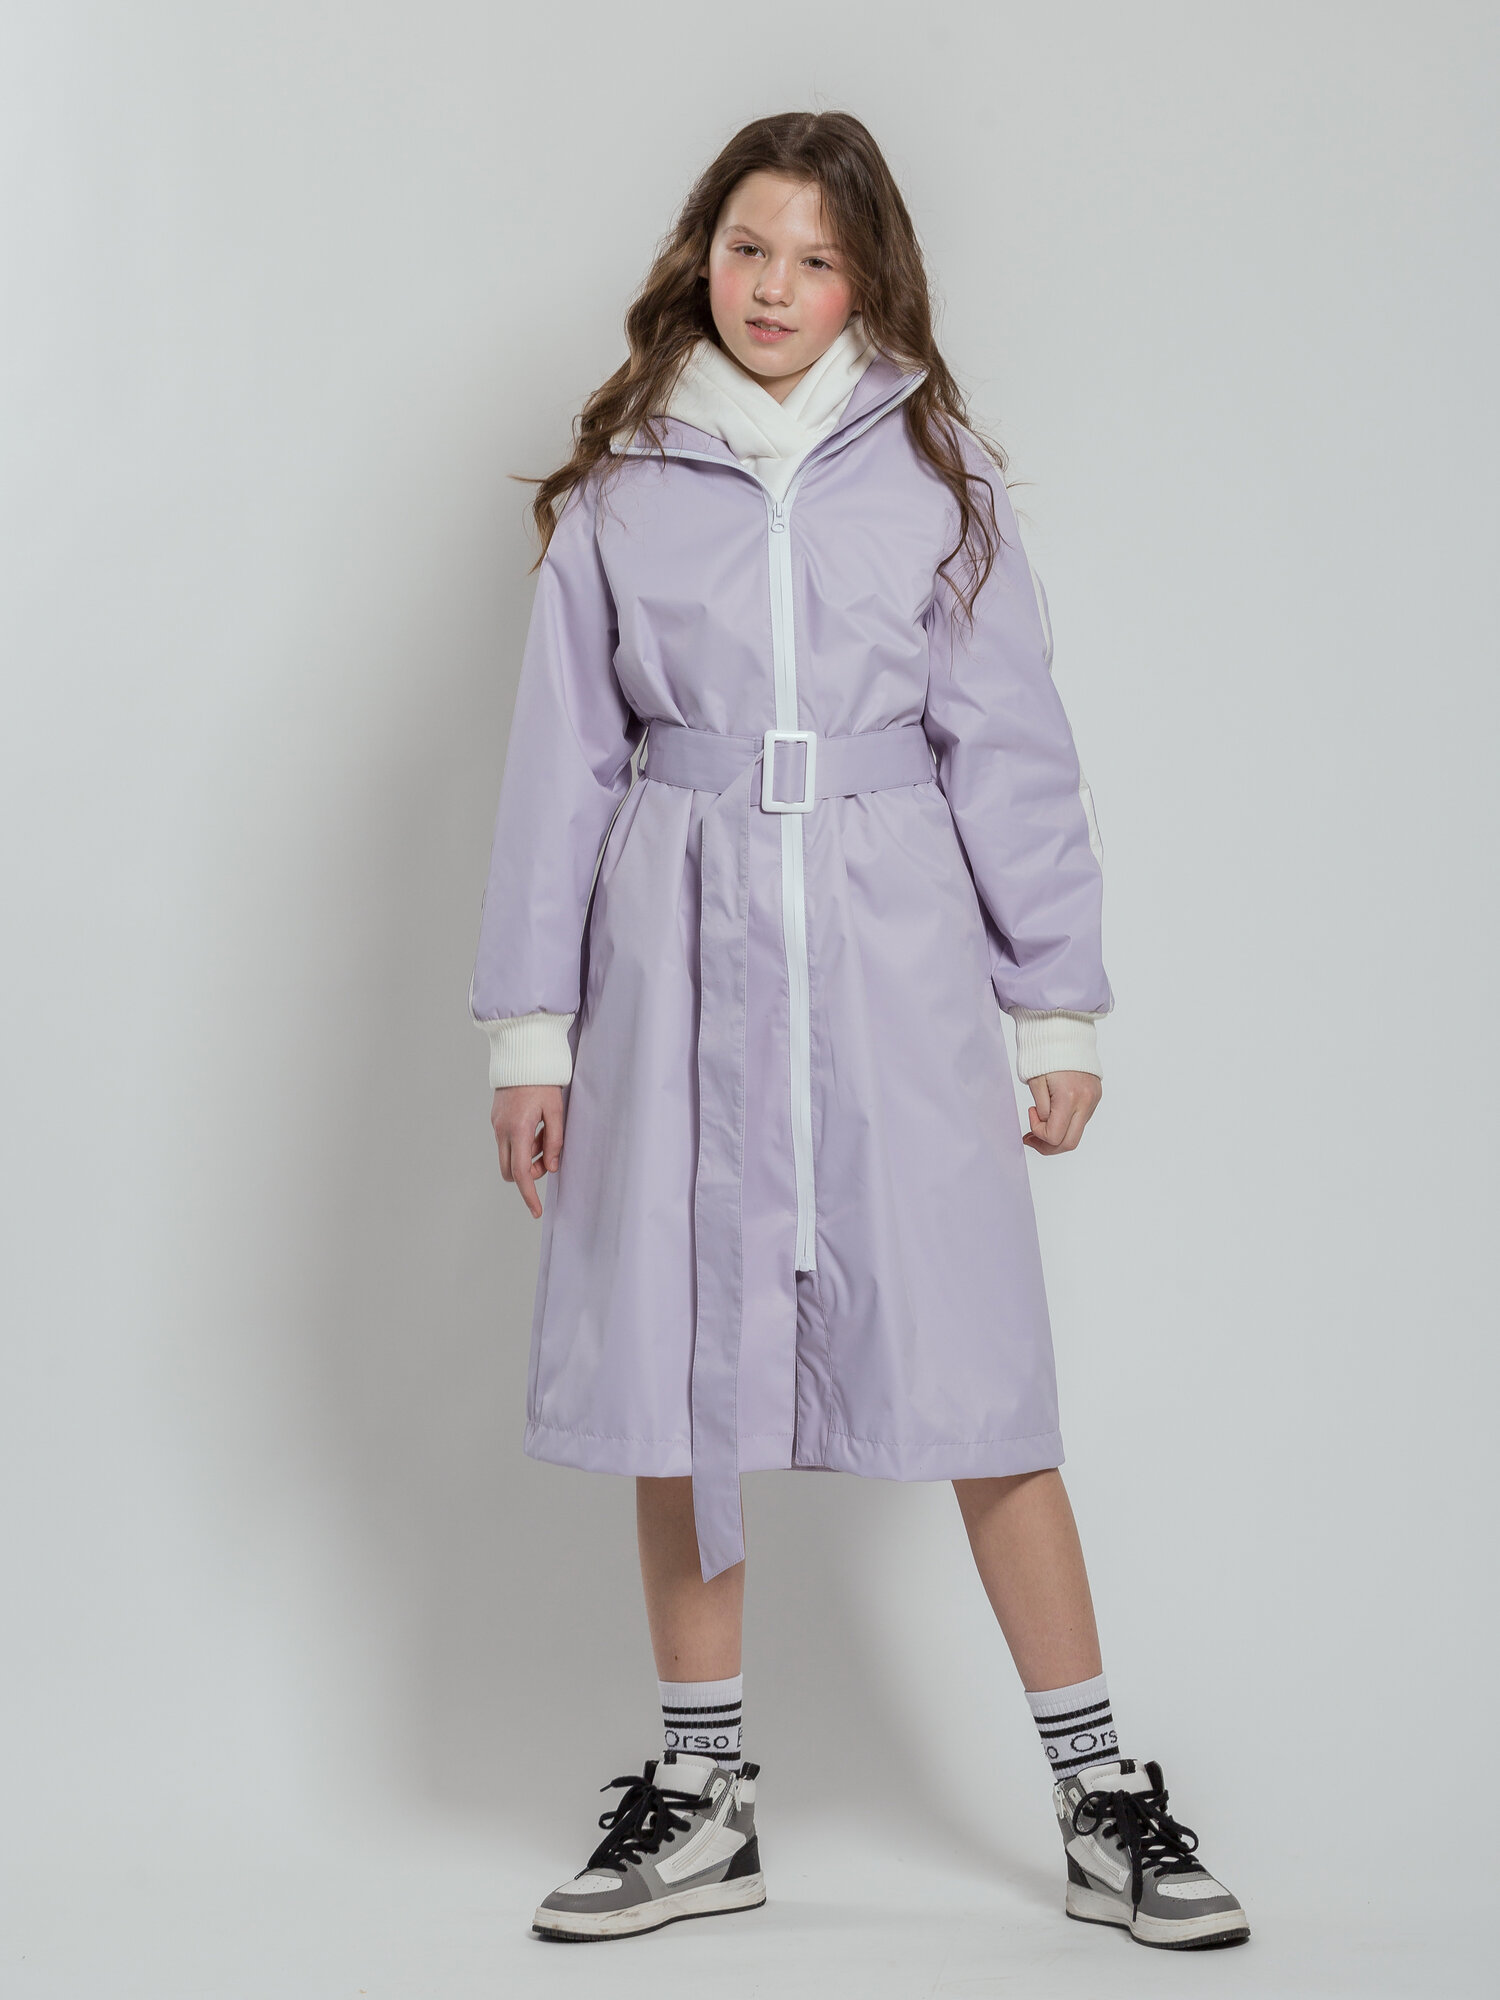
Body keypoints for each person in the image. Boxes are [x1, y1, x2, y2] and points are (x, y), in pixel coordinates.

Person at [468, 109, 1249, 1953]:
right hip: (676, 951)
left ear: (868, 281)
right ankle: (703, 1798)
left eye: (817, 260)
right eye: (750, 248)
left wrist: (1054, 1004)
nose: (775, 288)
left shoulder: (936, 474)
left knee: (979, 1378)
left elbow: (1015, 749)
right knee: (680, 1382)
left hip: (893, 958)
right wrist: (532, 1033)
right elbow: (559, 770)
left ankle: (1100, 1796)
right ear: (701, 254)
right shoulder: (623, 486)